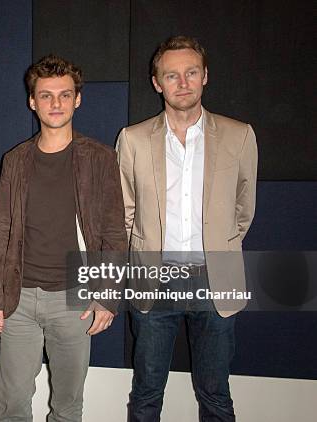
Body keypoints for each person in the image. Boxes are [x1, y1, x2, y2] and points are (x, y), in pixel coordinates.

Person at [116, 36, 258, 421]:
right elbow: (124, 212)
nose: (183, 83)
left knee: (215, 394)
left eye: (191, 73)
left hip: (216, 277)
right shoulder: (132, 139)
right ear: (156, 82)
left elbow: (243, 210)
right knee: (146, 394)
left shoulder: (239, 135)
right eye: (172, 75)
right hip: (153, 277)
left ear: (205, 76)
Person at [0, 55, 127, 422]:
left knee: (67, 408)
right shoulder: (15, 160)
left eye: (64, 95)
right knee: (12, 406)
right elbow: (0, 231)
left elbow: (114, 232)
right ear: (32, 101)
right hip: (19, 300)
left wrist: (107, 296)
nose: (56, 103)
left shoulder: (100, 158)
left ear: (78, 99)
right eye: (46, 96)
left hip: (74, 297)